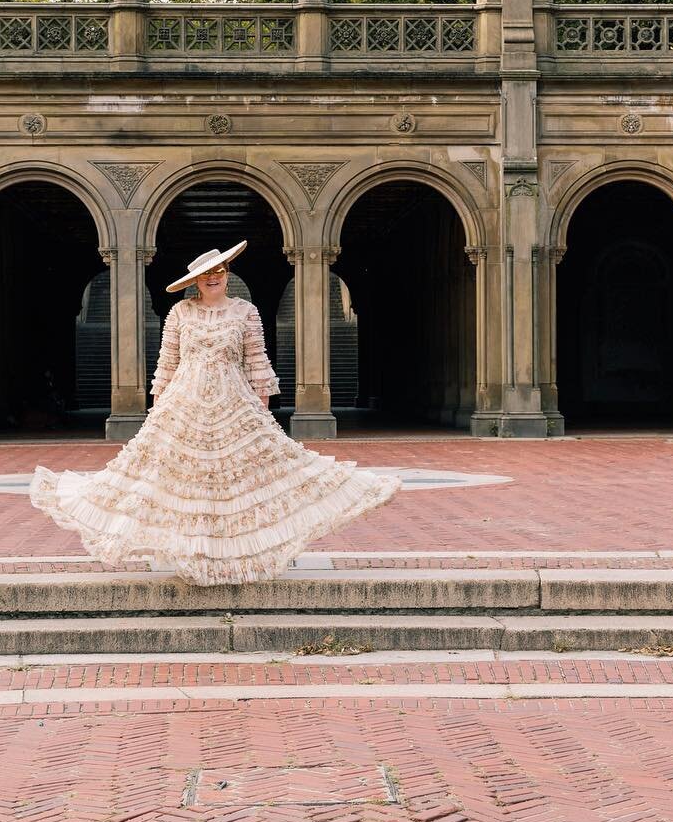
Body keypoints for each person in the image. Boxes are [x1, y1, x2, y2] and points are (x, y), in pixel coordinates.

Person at [29, 241, 400, 585]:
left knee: (237, 482)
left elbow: (257, 362)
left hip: (234, 404)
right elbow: (167, 364)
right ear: (196, 281)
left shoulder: (246, 313)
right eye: (208, 273)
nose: (215, 277)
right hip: (183, 405)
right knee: (183, 481)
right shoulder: (180, 312)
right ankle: (195, 554)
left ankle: (234, 556)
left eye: (220, 270)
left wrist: (262, 413)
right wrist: (157, 412)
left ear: (227, 273)